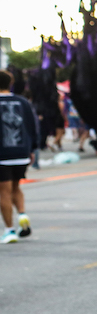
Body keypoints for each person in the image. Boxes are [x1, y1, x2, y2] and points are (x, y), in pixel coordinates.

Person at [0, 70, 40, 244]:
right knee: (16, 187)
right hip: (21, 152)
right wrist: (33, 149)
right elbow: (32, 126)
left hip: (2, 154)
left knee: (3, 192)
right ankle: (22, 214)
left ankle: (9, 230)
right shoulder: (22, 101)